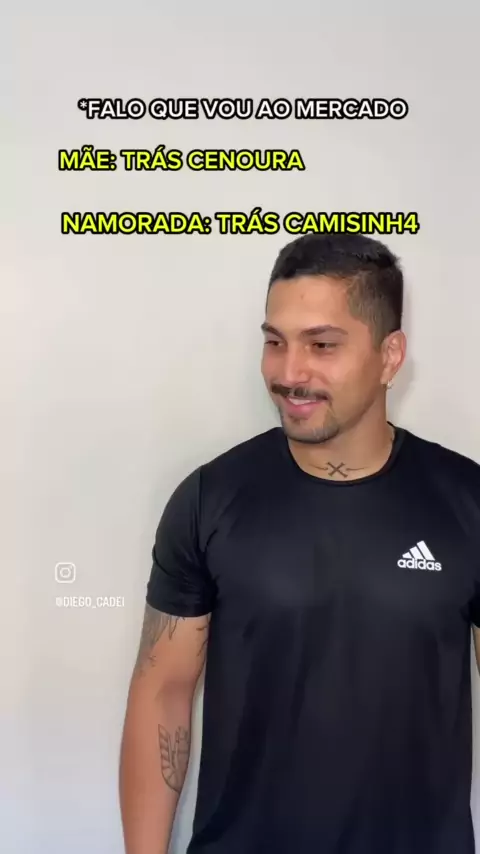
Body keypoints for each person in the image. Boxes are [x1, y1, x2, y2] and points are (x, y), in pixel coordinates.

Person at [119, 233, 480, 854]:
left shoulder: (467, 503)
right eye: (275, 342)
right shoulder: (208, 500)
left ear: (390, 355)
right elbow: (163, 690)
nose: (289, 373)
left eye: (322, 345)